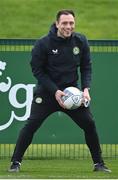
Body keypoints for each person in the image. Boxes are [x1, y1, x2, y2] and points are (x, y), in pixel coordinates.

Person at [9, 9, 111, 173]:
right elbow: (37, 71)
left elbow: (86, 67)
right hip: (47, 94)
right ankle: (15, 163)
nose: (68, 26)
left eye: (71, 23)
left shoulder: (81, 41)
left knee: (89, 124)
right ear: (57, 24)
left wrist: (85, 89)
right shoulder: (43, 43)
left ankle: (98, 164)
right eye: (64, 23)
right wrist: (55, 91)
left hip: (72, 96)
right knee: (31, 125)